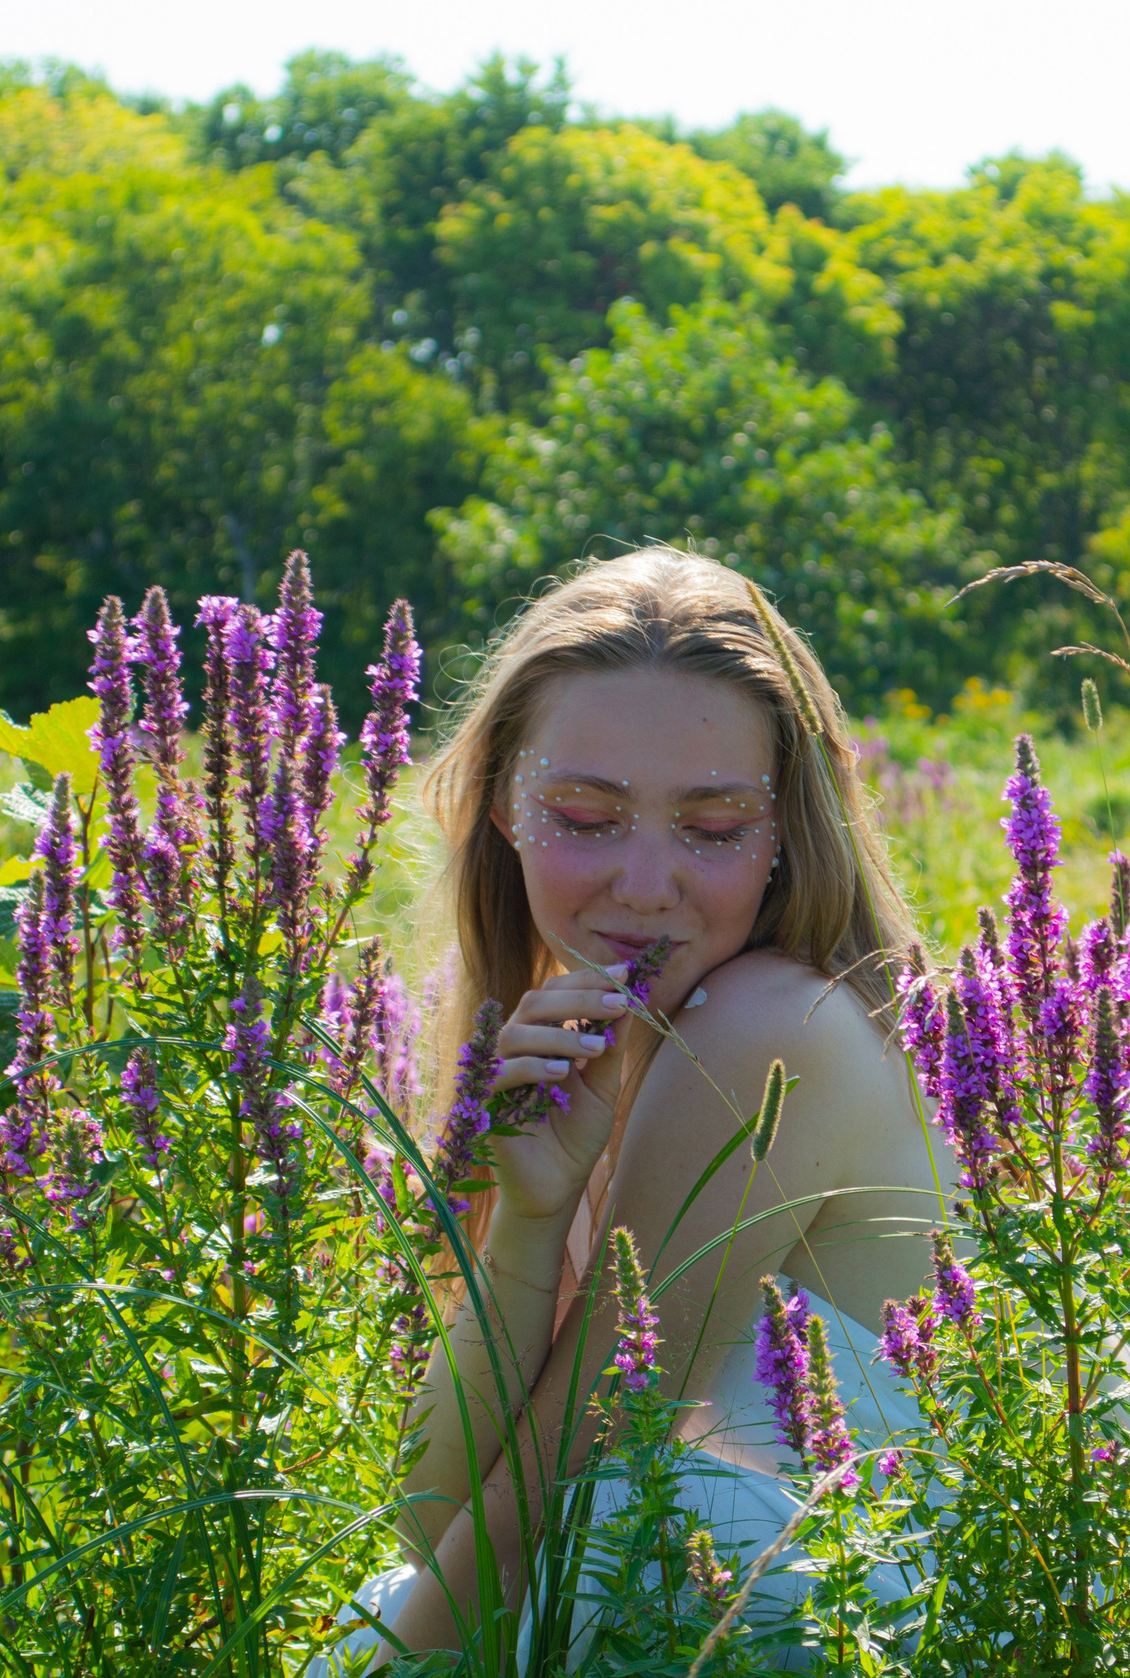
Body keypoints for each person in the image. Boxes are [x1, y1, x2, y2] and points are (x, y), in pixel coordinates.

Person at [346, 546, 956, 1666]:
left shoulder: (768, 1031)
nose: (643, 879)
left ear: (786, 837)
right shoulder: (598, 1048)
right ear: (499, 808)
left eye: (714, 826)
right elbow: (439, 1529)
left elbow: (541, 1511)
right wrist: (530, 1215)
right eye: (584, 814)